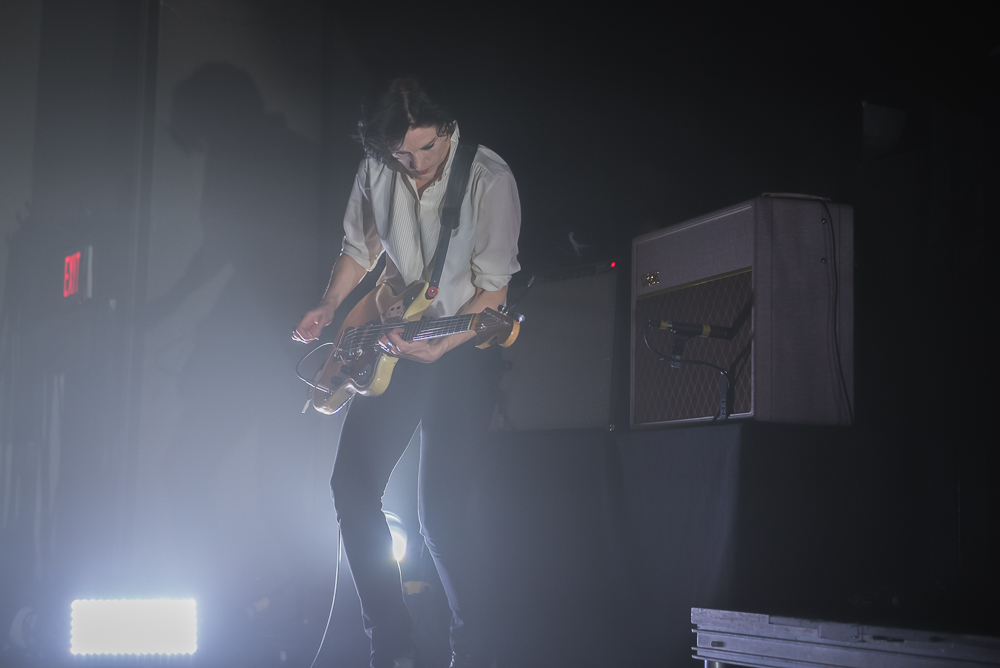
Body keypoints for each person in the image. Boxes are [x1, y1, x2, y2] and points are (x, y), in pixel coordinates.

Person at [293, 78, 520, 668]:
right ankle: (391, 648)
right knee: (351, 484)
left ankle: (473, 653)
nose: (416, 165)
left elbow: (494, 294)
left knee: (440, 512)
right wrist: (329, 305)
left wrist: (440, 348)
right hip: (394, 335)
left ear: (447, 129)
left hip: (462, 343)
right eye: (402, 154)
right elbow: (359, 247)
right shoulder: (376, 167)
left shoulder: (489, 178)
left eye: (427, 149)